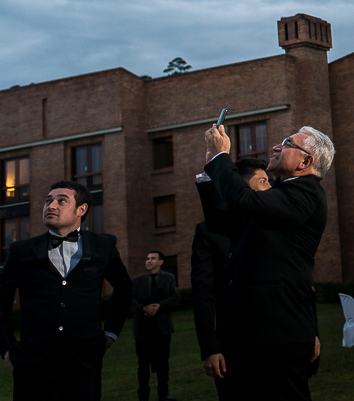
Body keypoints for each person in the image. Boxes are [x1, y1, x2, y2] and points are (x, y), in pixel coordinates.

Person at [202, 123, 333, 400]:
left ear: (306, 161)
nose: (276, 146)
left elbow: (241, 198)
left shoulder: (305, 193)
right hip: (257, 330)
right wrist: (210, 170)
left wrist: (221, 157)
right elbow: (223, 221)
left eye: (287, 143)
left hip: (280, 332)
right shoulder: (283, 193)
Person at [0, 181, 133, 401]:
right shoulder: (20, 251)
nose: (51, 205)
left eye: (61, 201)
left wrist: (110, 332)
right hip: (33, 362)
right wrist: (6, 348)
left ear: (81, 210)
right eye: (48, 201)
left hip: (84, 360)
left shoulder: (103, 245)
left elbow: (124, 288)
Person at [192, 156, 270, 400]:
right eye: (264, 181)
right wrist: (210, 348)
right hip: (233, 343)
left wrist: (312, 331)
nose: (271, 188)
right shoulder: (209, 231)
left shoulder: (274, 221)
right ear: (244, 187)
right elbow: (202, 292)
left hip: (277, 337)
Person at [132, 250, 182, 401]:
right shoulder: (137, 281)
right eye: (147, 258)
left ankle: (163, 394)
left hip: (162, 328)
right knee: (143, 364)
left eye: (153, 258)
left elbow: (175, 298)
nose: (149, 261)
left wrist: (159, 306)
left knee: (162, 363)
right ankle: (143, 396)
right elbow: (130, 301)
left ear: (160, 262)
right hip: (143, 329)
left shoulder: (168, 278)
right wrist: (143, 308)